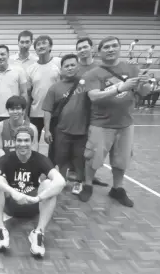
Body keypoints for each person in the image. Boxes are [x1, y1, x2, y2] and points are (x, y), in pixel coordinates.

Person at [80, 36, 148, 206]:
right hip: (101, 124)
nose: (110, 49)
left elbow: (143, 93)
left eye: (114, 46)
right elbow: (94, 96)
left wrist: (145, 85)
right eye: (106, 47)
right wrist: (119, 87)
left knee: (121, 159)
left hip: (125, 123)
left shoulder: (131, 68)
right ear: (99, 51)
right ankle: (87, 185)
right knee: (93, 158)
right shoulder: (93, 73)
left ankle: (117, 188)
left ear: (119, 48)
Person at [0, 126, 65, 258]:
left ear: (32, 142)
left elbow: (60, 181)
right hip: (11, 204)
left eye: (26, 140)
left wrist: (38, 198)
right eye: (19, 140)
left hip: (32, 204)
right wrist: (13, 192)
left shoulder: (40, 159)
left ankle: (38, 233)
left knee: (48, 184)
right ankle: (1, 229)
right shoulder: (7, 158)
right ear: (14, 141)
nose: (23, 144)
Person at [42, 54, 89, 194]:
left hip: (82, 131)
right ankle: (61, 180)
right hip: (62, 130)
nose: (69, 68)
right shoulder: (55, 88)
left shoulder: (87, 84)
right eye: (66, 66)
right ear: (61, 69)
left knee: (79, 158)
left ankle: (78, 182)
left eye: (72, 65)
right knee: (60, 158)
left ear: (78, 66)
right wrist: (47, 130)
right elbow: (47, 110)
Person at [73, 37, 109, 188]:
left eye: (85, 47)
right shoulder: (73, 69)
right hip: (77, 114)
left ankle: (91, 176)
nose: (82, 50)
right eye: (79, 48)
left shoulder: (100, 68)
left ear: (92, 48)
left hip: (96, 116)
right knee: (78, 147)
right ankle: (77, 175)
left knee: (94, 149)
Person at [0, 45, 27, 151]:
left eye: (3, 54)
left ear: (8, 55)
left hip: (15, 115)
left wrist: (24, 113)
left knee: (17, 145)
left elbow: (24, 93)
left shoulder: (19, 71)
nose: (0, 57)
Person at [26, 35, 61, 143]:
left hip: (54, 114)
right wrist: (26, 115)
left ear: (50, 46)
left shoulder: (59, 64)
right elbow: (28, 94)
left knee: (54, 145)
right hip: (35, 113)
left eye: (44, 43)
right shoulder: (30, 69)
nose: (41, 46)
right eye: (38, 44)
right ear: (35, 49)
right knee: (32, 144)